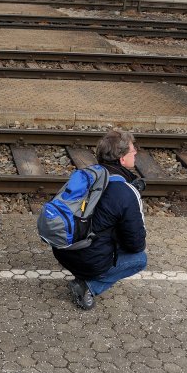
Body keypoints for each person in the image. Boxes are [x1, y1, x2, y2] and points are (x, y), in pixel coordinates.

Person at [53, 129, 147, 310]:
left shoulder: (85, 175)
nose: (135, 153)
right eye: (133, 151)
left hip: (62, 251)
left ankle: (85, 267)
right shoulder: (125, 191)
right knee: (140, 259)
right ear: (122, 159)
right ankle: (88, 286)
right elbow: (136, 244)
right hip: (88, 261)